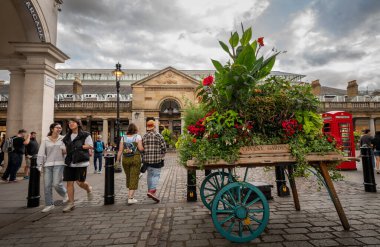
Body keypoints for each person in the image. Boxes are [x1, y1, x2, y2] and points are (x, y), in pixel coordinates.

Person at [62, 118, 94, 212]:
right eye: (69, 122)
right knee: (69, 182)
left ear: (78, 124)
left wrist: (79, 147)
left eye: (73, 122)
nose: (71, 124)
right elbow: (64, 149)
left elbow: (90, 145)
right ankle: (71, 204)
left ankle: (88, 189)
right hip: (69, 162)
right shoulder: (67, 137)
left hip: (81, 161)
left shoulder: (85, 134)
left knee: (80, 182)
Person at [37, 123, 68, 213]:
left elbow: (67, 151)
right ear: (52, 129)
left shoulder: (63, 138)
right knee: (47, 186)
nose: (59, 129)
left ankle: (65, 194)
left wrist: (65, 150)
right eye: (57, 127)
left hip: (59, 163)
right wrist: (39, 165)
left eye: (60, 128)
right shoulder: (46, 140)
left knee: (56, 184)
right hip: (47, 165)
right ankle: (49, 204)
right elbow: (41, 153)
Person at [115, 123, 144, 204]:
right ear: (135, 130)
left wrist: (117, 160)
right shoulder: (137, 136)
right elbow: (141, 149)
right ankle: (130, 197)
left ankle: (130, 193)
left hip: (125, 160)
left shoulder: (123, 137)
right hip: (135, 158)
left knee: (129, 177)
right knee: (134, 177)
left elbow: (120, 150)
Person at [142, 120, 166, 203]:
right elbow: (164, 148)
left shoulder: (144, 136)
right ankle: (151, 191)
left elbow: (142, 148)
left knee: (149, 175)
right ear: (154, 127)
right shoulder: (158, 135)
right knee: (156, 175)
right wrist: (162, 155)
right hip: (156, 160)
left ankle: (149, 190)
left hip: (147, 160)